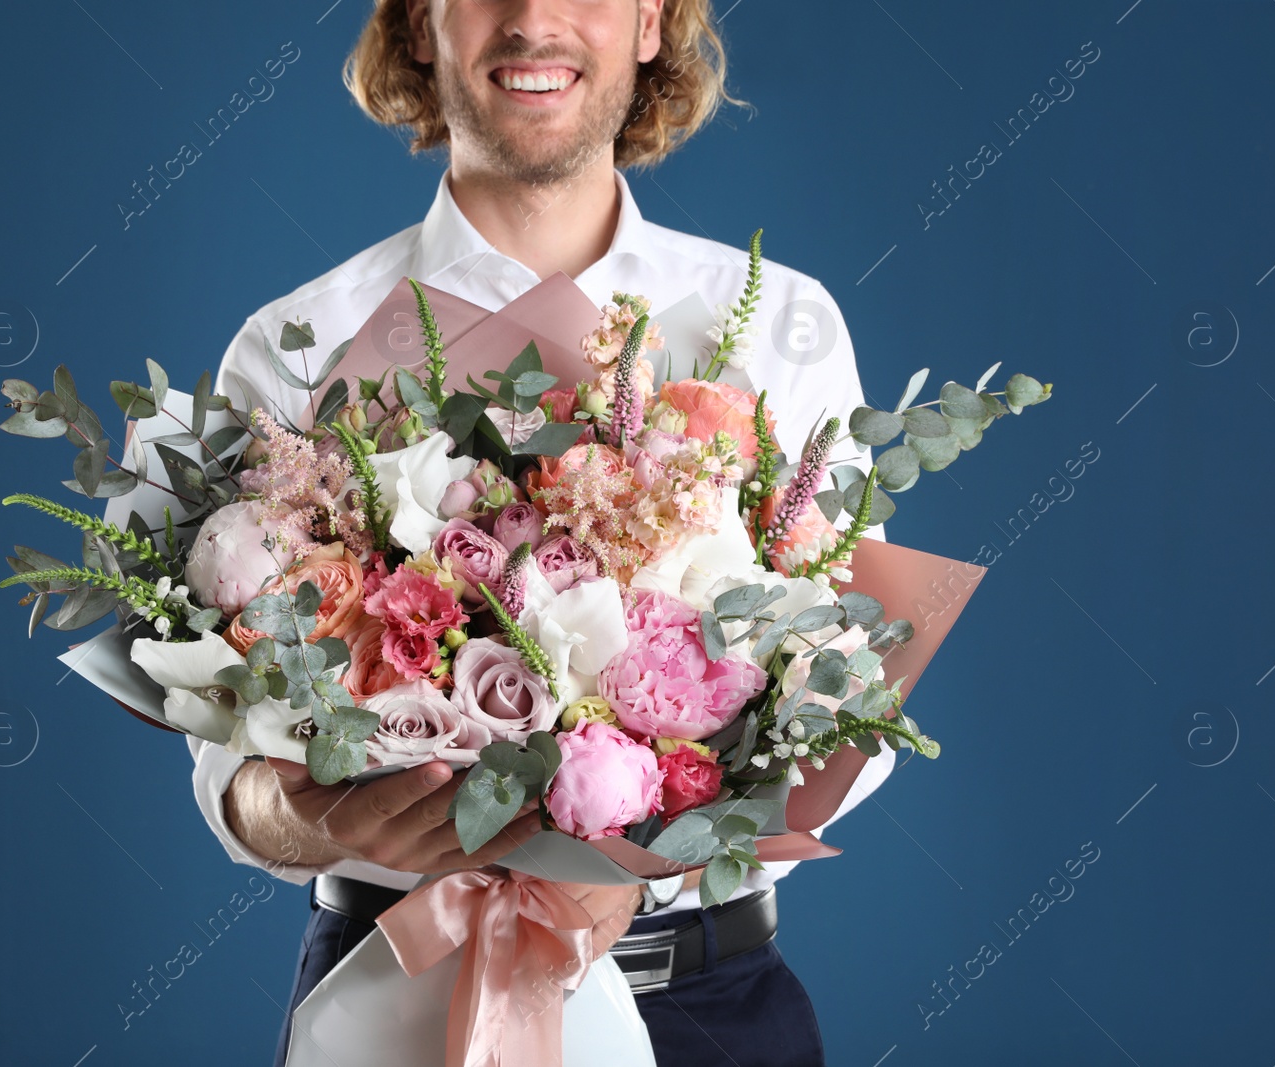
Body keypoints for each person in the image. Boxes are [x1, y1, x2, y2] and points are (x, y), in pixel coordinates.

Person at [191, 1, 897, 1063]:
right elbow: (223, 757)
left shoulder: (782, 329)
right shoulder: (297, 346)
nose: (533, 19)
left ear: (654, 22)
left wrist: (654, 848)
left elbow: (856, 697)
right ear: (420, 23)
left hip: (706, 1003)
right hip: (396, 995)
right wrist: (316, 819)